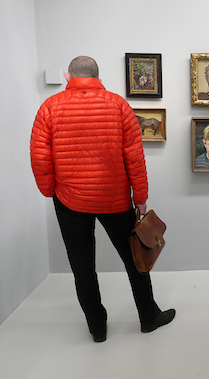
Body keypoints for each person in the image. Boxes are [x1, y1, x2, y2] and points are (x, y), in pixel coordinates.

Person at [30, 56, 175, 343]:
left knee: (82, 265)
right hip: (115, 197)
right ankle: (148, 317)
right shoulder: (118, 105)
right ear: (97, 76)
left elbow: (40, 155)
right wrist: (141, 197)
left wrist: (51, 190)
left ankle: (97, 328)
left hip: (70, 200)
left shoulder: (50, 107)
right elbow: (134, 155)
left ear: (67, 75)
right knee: (135, 256)